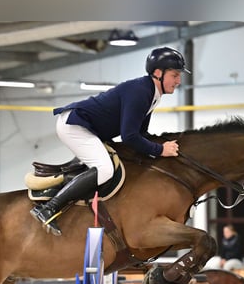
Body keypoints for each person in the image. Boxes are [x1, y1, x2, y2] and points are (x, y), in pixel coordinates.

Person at [30, 46, 189, 236]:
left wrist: (162, 145)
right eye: (175, 75)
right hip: (74, 125)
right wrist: (160, 150)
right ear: (158, 73)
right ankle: (48, 208)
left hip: (88, 128)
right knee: (105, 169)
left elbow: (141, 133)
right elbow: (129, 136)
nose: (178, 81)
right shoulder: (140, 92)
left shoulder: (152, 94)